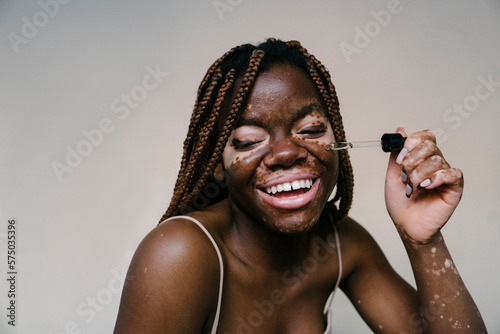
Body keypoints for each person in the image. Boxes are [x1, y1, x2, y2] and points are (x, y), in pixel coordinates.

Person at [113, 38, 487, 333]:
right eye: (247, 140)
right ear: (218, 167)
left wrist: (425, 242)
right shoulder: (179, 254)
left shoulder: (340, 244)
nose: (286, 153)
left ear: (337, 138)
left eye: (310, 130)